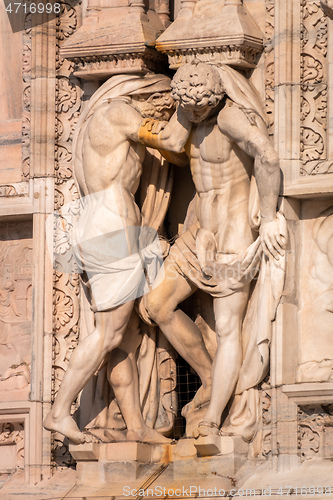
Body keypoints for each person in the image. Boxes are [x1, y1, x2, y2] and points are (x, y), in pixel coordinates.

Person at [44, 73, 213, 444]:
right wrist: (194, 96)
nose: (164, 111)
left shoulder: (122, 121)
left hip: (115, 227)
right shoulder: (118, 111)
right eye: (162, 104)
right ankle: (58, 412)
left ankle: (136, 427)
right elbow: (170, 138)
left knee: (127, 336)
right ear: (146, 95)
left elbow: (171, 152)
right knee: (110, 332)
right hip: (110, 225)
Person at [139, 61, 287, 439]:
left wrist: (268, 217)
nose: (192, 112)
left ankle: (212, 419)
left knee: (227, 328)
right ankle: (208, 376)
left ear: (215, 97)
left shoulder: (231, 119)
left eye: (199, 107)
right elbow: (171, 145)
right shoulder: (189, 114)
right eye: (187, 105)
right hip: (198, 233)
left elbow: (267, 156)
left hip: (234, 235)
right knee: (156, 306)